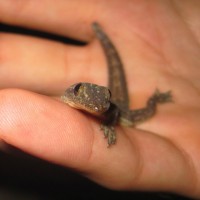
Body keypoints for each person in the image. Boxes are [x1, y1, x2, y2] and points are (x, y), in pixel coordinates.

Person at [0, 1, 199, 198]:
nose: (97, 105)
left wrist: (112, 124)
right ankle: (102, 37)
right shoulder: (71, 96)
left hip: (121, 113)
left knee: (144, 113)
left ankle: (154, 98)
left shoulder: (109, 110)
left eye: (105, 99)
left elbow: (108, 109)